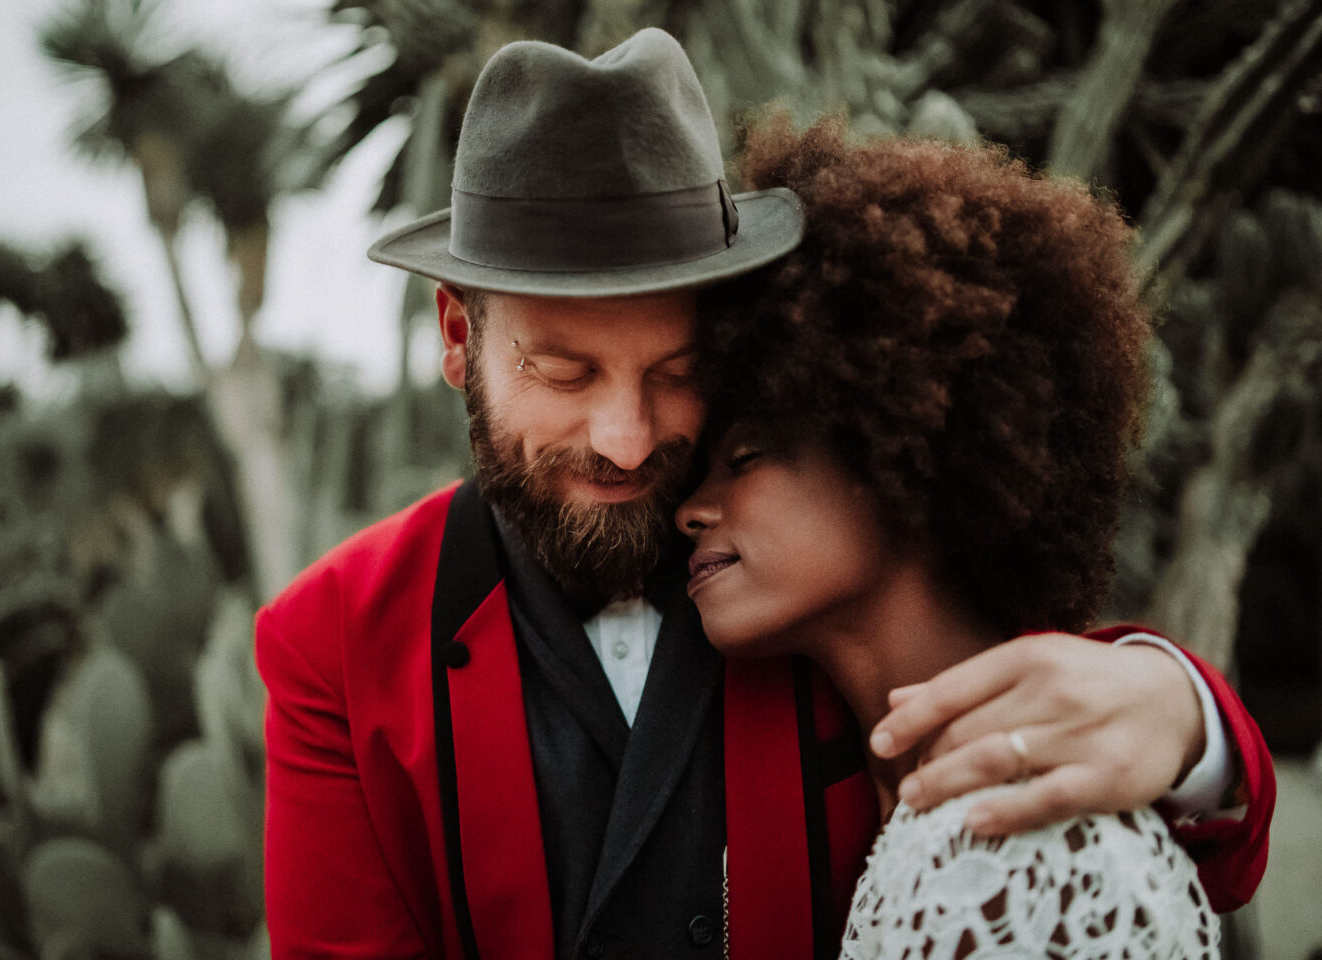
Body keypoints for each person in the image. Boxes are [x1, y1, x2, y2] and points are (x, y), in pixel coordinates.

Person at [254, 29, 1274, 960]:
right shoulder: (333, 647)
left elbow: (1048, 733)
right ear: (455, 336)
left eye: (676, 370)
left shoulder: (794, 553)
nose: (628, 440)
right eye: (564, 374)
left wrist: (1186, 717)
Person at [676, 114, 1264, 958]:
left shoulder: (1046, 839)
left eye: (746, 457)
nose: (687, 510)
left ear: (902, 446)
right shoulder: (905, 792)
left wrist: (1189, 713)